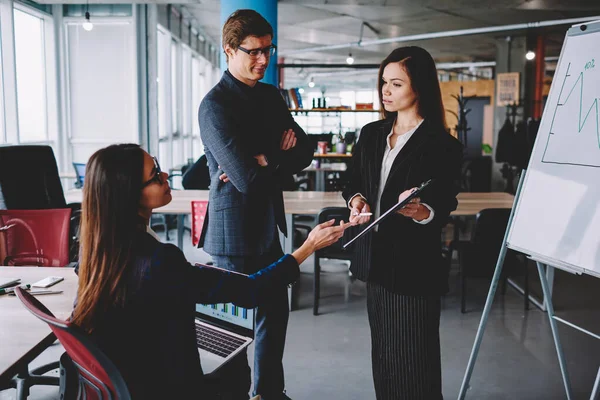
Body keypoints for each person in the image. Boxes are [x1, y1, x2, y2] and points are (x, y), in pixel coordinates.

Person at [71, 144, 347, 399]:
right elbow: (250, 290)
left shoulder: (97, 251)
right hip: (172, 389)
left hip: (134, 382)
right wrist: (308, 247)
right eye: (155, 175)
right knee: (238, 371)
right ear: (130, 194)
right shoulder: (159, 260)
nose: (165, 173)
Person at [197, 9, 313, 400]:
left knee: (273, 318)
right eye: (254, 52)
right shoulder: (214, 107)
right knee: (232, 330)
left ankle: (267, 393)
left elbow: (306, 150)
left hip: (267, 225)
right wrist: (269, 156)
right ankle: (231, 394)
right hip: (232, 234)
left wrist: (260, 158)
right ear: (229, 51)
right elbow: (246, 181)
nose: (263, 60)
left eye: (268, 50)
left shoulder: (269, 96)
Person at [342, 46, 463, 400]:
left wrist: (421, 210)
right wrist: (356, 200)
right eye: (383, 83)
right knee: (383, 357)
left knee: (415, 363)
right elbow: (352, 182)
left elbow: (444, 203)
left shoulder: (442, 145)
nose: (386, 91)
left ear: (420, 87)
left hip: (413, 266)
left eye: (396, 84)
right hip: (373, 260)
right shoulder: (371, 134)